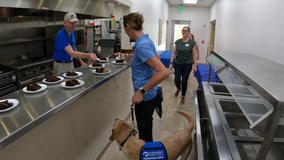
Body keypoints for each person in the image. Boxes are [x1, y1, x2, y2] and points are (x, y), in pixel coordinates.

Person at [123, 12, 169, 142]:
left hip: (145, 99)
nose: (126, 33)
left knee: (145, 136)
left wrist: (141, 92)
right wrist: (134, 57)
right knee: (146, 130)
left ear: (127, 26)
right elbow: (156, 60)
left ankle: (147, 155)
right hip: (151, 95)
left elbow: (163, 72)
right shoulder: (146, 41)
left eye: (125, 30)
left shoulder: (141, 46)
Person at [169, 27, 198, 104]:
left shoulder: (192, 43)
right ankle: (178, 88)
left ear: (188, 32)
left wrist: (195, 66)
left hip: (187, 65)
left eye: (185, 30)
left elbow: (194, 55)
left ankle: (183, 96)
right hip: (178, 64)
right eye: (183, 30)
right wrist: (171, 62)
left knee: (184, 80)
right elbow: (173, 53)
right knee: (176, 80)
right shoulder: (178, 42)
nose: (184, 32)